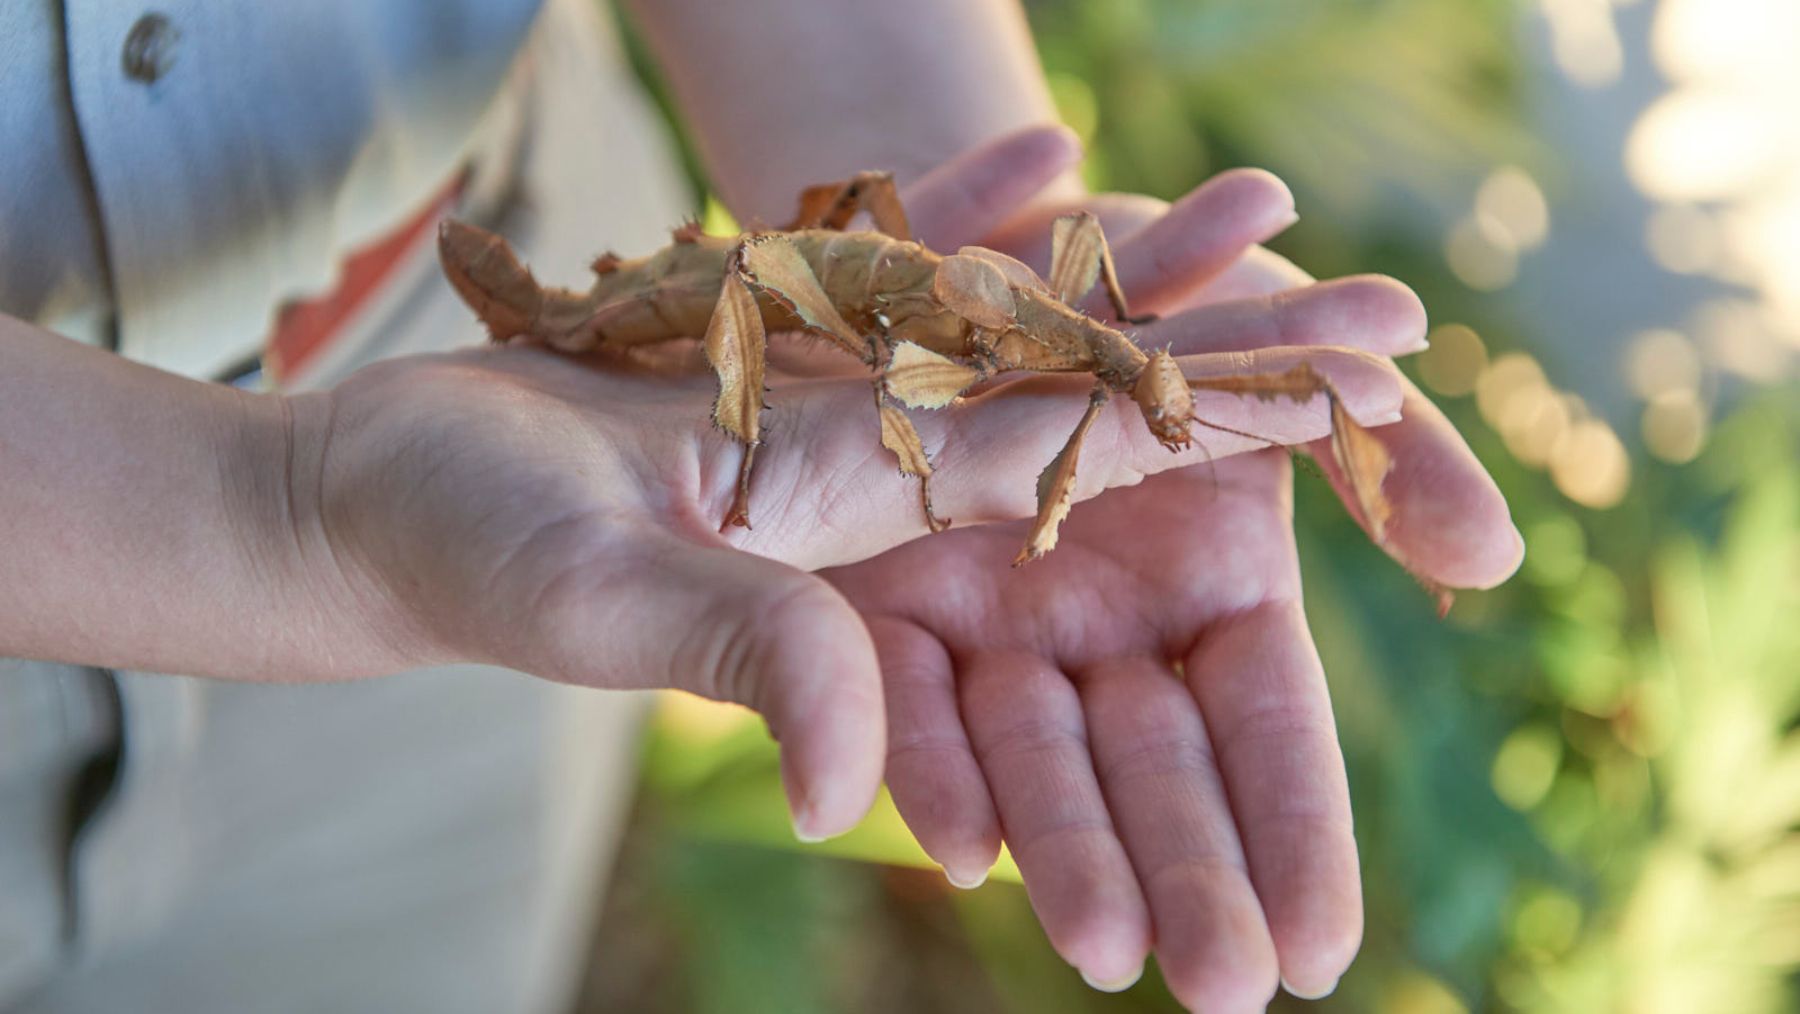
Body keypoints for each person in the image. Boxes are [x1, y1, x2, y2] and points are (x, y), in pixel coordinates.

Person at [0, 0, 1522, 1011]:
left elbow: (991, 364)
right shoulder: (982, 349)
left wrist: (919, 131)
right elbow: (886, 355)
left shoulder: (1048, 325)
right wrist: (285, 513)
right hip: (571, 381)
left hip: (489, 452)